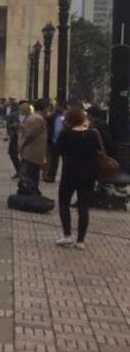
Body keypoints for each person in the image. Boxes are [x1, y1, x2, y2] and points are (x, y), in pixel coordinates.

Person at [56, 106, 100, 249]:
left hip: (70, 172)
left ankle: (67, 235)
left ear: (68, 120)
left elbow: (57, 151)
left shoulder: (66, 133)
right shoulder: (93, 134)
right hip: (88, 174)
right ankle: (81, 240)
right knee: (83, 206)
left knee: (64, 203)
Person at [18, 99, 48, 196]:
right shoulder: (39, 119)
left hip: (29, 152)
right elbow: (32, 135)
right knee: (32, 174)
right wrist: (24, 145)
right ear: (44, 108)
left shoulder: (31, 117)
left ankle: (29, 191)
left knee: (29, 173)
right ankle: (31, 193)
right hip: (33, 153)